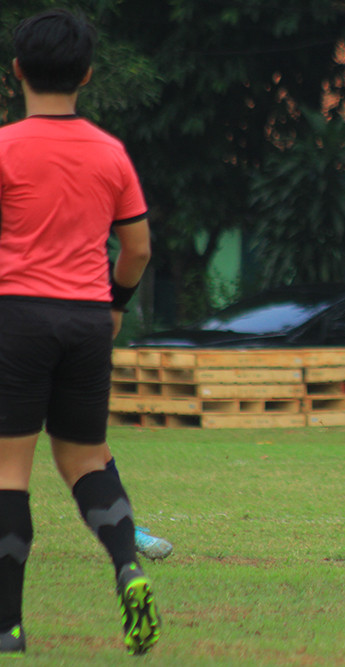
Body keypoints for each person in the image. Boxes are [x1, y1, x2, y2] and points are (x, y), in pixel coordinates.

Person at [0, 9, 160, 655]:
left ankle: (8, 625)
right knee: (85, 459)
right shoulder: (110, 151)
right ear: (88, 75)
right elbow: (139, 248)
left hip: (18, 314)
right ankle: (128, 566)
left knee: (10, 468)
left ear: (16, 73)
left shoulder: (6, 147)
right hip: (90, 319)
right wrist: (115, 304)